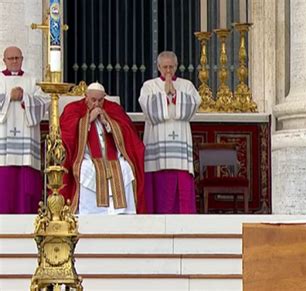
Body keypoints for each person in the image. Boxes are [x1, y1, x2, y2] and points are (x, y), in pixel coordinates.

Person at [60, 82, 146, 214]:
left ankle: (121, 212)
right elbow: (68, 133)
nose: (96, 104)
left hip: (112, 158)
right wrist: (88, 119)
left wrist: (108, 123)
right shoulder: (73, 108)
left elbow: (128, 132)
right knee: (86, 169)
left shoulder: (113, 108)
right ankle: (90, 212)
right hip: (86, 156)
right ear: (86, 97)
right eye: (93, 100)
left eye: (100, 100)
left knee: (124, 167)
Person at [139, 51, 201, 214]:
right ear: (158, 67)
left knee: (181, 179)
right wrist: (165, 95)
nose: (168, 71)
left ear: (176, 67)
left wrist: (174, 94)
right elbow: (148, 108)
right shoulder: (149, 85)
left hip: (180, 139)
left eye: (171, 67)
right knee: (159, 180)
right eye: (165, 67)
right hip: (157, 140)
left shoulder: (186, 85)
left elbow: (194, 105)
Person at [0, 46, 50, 214]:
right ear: (4, 60)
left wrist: (25, 99)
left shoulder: (32, 80)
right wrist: (8, 98)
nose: (14, 61)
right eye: (11, 58)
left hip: (27, 148)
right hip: (3, 146)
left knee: (25, 186)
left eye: (17, 58)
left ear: (22, 59)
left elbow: (44, 101)